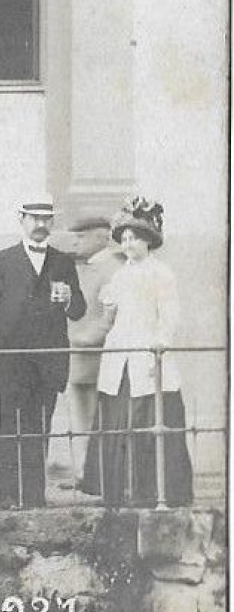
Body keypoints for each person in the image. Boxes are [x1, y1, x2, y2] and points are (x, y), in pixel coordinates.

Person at [0, 197, 86, 508]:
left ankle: (34, 496)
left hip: (47, 361)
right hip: (10, 361)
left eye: (46, 219)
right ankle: (8, 497)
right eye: (34, 218)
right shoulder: (1, 261)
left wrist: (67, 299)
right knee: (9, 428)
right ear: (21, 219)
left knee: (39, 429)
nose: (40, 225)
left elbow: (79, 310)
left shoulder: (63, 262)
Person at [88, 198, 194, 507]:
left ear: (148, 240)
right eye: (124, 238)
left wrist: (160, 341)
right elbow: (111, 320)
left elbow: (169, 314)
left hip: (146, 354)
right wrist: (108, 310)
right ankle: (118, 490)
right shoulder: (119, 275)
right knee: (118, 419)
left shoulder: (161, 273)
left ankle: (153, 490)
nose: (128, 243)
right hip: (119, 354)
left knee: (149, 419)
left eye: (134, 237)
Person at [65, 216, 125, 493]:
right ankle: (82, 474)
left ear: (100, 237)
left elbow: (110, 317)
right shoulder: (90, 267)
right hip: (78, 357)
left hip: (94, 356)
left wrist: (82, 339)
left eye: (81, 237)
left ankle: (92, 476)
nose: (76, 242)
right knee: (80, 417)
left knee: (93, 418)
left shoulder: (111, 268)